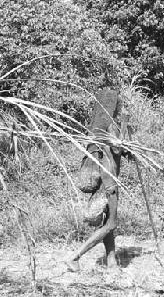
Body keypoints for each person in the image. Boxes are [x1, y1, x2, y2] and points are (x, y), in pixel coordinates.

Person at [66, 90, 123, 272]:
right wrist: (126, 123)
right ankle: (75, 257)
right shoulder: (112, 126)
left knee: (106, 223)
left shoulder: (97, 127)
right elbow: (117, 149)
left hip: (100, 182)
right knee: (112, 223)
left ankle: (111, 262)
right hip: (109, 183)